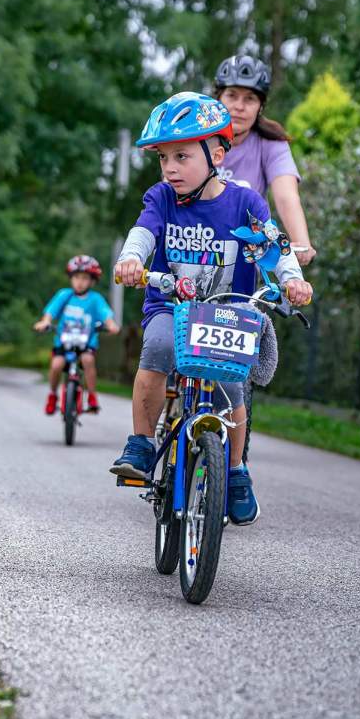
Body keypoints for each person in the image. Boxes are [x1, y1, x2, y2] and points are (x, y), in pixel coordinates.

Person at [110, 92, 312, 525]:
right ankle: (142, 444)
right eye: (163, 158)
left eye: (182, 156)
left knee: (232, 389)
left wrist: (292, 281)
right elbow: (144, 232)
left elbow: (273, 249)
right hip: (171, 306)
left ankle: (235, 472)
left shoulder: (244, 204)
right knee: (157, 350)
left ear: (217, 154)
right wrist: (131, 259)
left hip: (227, 313)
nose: (170, 168)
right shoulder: (162, 198)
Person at [214, 55, 317, 267]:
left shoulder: (271, 143)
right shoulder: (196, 139)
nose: (239, 106)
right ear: (218, 98)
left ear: (260, 106)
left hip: (247, 257)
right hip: (194, 248)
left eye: (250, 99)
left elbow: (287, 196)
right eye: (232, 95)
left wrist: (301, 241)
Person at [33, 255, 120, 415]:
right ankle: (52, 395)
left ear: (92, 281)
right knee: (56, 365)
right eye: (76, 277)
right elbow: (51, 312)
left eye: (85, 278)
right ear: (71, 278)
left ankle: (92, 396)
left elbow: (105, 315)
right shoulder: (64, 295)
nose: (80, 282)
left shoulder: (95, 299)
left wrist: (111, 325)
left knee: (88, 360)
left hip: (86, 344)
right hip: (63, 343)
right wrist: (45, 322)